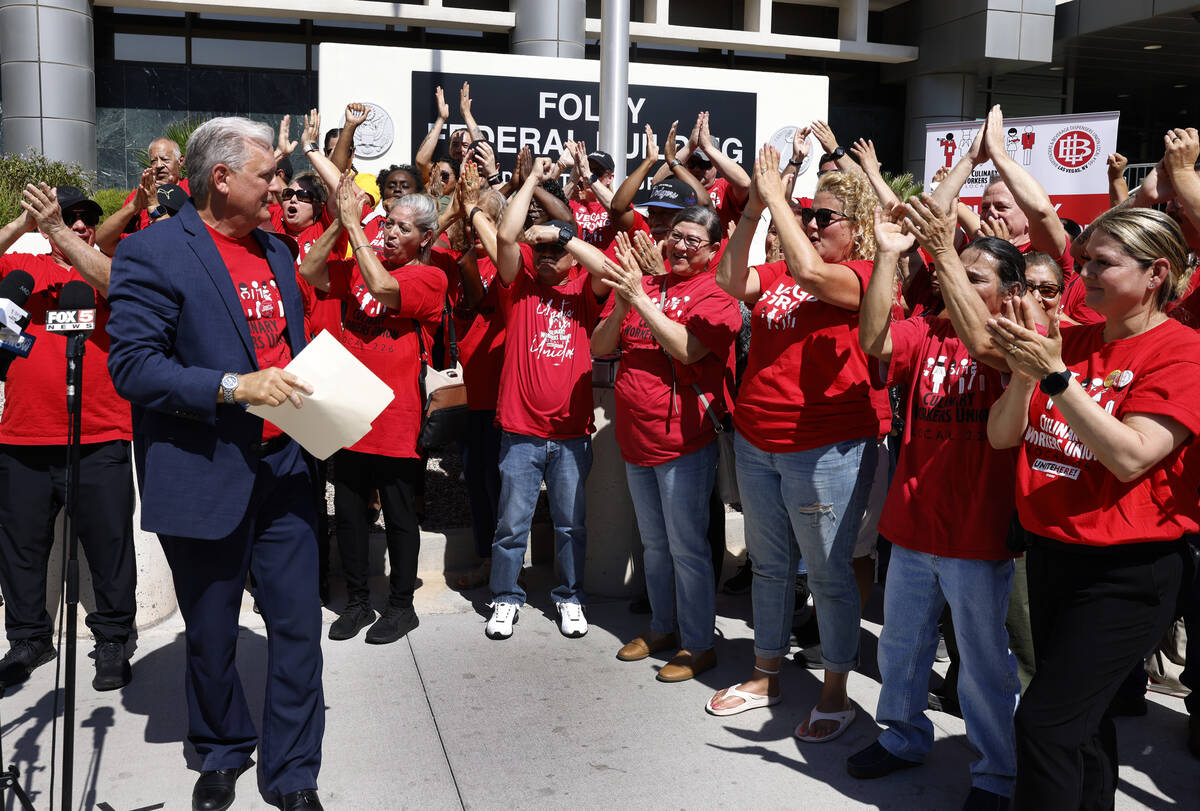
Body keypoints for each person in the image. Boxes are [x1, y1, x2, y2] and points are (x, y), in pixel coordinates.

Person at [106, 117, 325, 811]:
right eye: (268, 176)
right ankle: (224, 745)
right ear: (222, 177)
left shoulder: (281, 253)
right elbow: (133, 365)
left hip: (284, 469)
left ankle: (292, 772)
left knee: (297, 629)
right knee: (209, 634)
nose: (281, 190)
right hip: (203, 471)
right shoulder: (152, 252)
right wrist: (233, 385)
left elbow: (288, 345)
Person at [984, 206, 1200, 810]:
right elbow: (1004, 436)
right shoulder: (1069, 342)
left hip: (1126, 574)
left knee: (1045, 725)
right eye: (1085, 263)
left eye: (1103, 264)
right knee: (1084, 724)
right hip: (1052, 556)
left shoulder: (1182, 353)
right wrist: (1028, 376)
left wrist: (1054, 376)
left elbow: (1132, 457)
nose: (1086, 276)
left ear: (1157, 272)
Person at [707, 146, 888, 743]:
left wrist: (780, 200)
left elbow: (814, 273)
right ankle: (766, 672)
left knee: (829, 573)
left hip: (825, 446)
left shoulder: (863, 276)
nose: (810, 223)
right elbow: (731, 278)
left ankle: (836, 689)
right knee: (770, 565)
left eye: (824, 216)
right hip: (759, 442)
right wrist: (756, 208)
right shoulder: (782, 273)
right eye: (808, 214)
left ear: (857, 228)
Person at [851, 194, 1024, 809]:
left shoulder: (1018, 340)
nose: (957, 279)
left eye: (974, 276)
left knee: (981, 664)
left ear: (1007, 291)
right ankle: (901, 736)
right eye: (955, 269)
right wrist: (888, 259)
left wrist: (942, 249)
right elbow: (874, 338)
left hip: (977, 533)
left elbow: (986, 351)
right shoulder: (927, 330)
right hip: (914, 522)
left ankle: (996, 773)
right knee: (900, 645)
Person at [592, 208, 741, 683]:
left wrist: (641, 297)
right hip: (635, 441)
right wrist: (623, 302)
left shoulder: (718, 296)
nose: (678, 246)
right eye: (675, 236)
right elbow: (599, 347)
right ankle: (662, 627)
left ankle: (698, 644)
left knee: (686, 549)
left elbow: (686, 348)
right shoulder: (647, 286)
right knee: (654, 546)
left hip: (683, 444)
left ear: (713, 251)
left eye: (692, 241)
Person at [0, 184, 137, 692]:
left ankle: (114, 637)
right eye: (68, 216)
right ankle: (29, 637)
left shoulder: (105, 268)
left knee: (109, 544)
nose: (79, 224)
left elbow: (125, 285)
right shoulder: (22, 270)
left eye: (86, 218)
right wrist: (24, 222)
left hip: (99, 434)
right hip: (24, 436)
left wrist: (75, 238)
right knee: (20, 546)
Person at [298, 182, 446, 646]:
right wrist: (342, 224)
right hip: (349, 412)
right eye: (388, 223)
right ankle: (359, 602)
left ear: (424, 238)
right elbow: (310, 268)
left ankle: (402, 607)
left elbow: (384, 289)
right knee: (347, 514)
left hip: (396, 416)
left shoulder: (429, 278)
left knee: (400, 517)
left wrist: (359, 236)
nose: (389, 232)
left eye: (402, 228)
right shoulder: (362, 260)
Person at [482, 157, 610, 641]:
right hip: (520, 431)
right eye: (546, 252)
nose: (550, 260)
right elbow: (506, 238)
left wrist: (563, 236)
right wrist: (533, 180)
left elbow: (608, 268)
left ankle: (570, 597)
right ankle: (505, 597)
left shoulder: (584, 291)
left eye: (560, 253)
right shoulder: (519, 288)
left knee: (571, 526)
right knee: (511, 526)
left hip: (572, 435)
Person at [96, 137, 188, 254]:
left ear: (180, 161)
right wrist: (135, 204)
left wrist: (170, 192)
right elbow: (104, 240)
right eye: (154, 161)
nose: (159, 165)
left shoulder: (194, 189)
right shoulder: (139, 195)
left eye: (165, 159)